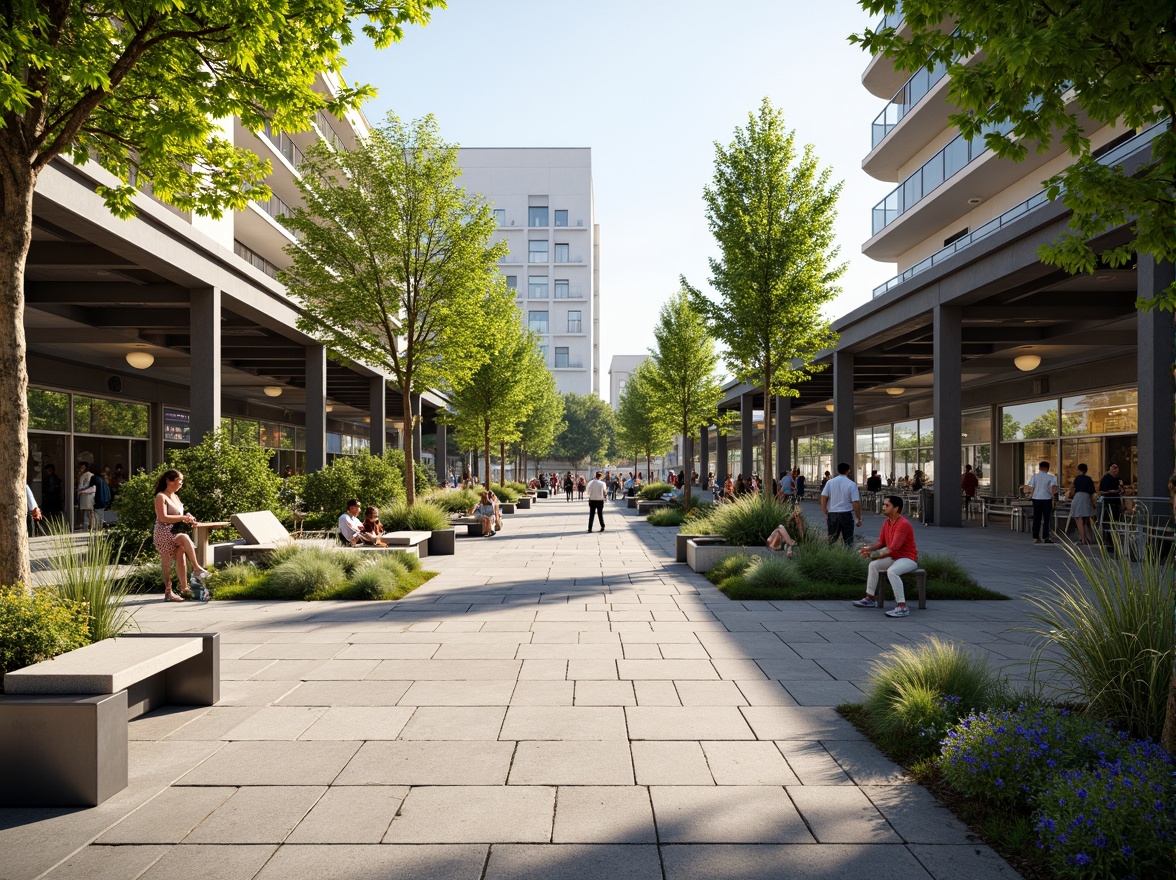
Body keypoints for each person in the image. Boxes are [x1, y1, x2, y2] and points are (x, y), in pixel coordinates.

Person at [853, 495, 919, 618]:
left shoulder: (903, 524)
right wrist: (868, 549)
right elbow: (881, 542)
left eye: (887, 505)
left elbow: (892, 548)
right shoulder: (887, 522)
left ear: (896, 508)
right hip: (894, 557)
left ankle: (902, 606)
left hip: (907, 558)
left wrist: (872, 554)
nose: (883, 507)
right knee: (873, 565)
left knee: (892, 571)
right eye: (883, 504)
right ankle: (870, 598)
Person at [153, 469, 210, 602]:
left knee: (181, 556)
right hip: (163, 532)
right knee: (168, 559)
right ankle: (170, 591)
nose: (181, 484)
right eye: (179, 481)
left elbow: (178, 514)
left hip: (174, 531)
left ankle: (184, 588)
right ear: (169, 481)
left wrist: (188, 516)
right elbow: (162, 517)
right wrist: (182, 518)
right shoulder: (161, 496)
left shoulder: (176, 497)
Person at [820, 462, 863, 546]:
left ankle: (829, 555)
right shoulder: (852, 484)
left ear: (838, 470)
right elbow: (855, 502)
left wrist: (825, 510)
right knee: (848, 540)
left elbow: (823, 496)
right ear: (848, 471)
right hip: (846, 514)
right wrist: (859, 518)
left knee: (831, 540)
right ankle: (848, 555)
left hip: (832, 513)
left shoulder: (830, 482)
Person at [1024, 461, 1059, 544]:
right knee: (1046, 519)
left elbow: (1030, 488)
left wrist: (1030, 495)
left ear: (1039, 468)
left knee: (1037, 519)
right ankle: (1046, 537)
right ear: (1047, 468)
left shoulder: (1035, 477)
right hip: (1047, 499)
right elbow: (1053, 490)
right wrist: (1054, 498)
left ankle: (1036, 538)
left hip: (1036, 499)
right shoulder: (1052, 477)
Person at [1068, 463, 1097, 545]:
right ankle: (1088, 538)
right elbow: (1092, 490)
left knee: (1078, 518)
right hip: (1087, 498)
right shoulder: (1089, 479)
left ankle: (1083, 539)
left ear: (1078, 469)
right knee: (1085, 519)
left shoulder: (1077, 478)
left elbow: (1073, 488)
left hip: (1078, 497)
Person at [75, 461, 95, 531]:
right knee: (90, 512)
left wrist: (81, 490)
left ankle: (86, 526)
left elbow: (82, 486)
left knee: (87, 512)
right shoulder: (90, 475)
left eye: (82, 467)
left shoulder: (85, 476)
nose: (80, 469)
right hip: (89, 495)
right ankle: (90, 526)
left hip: (85, 495)